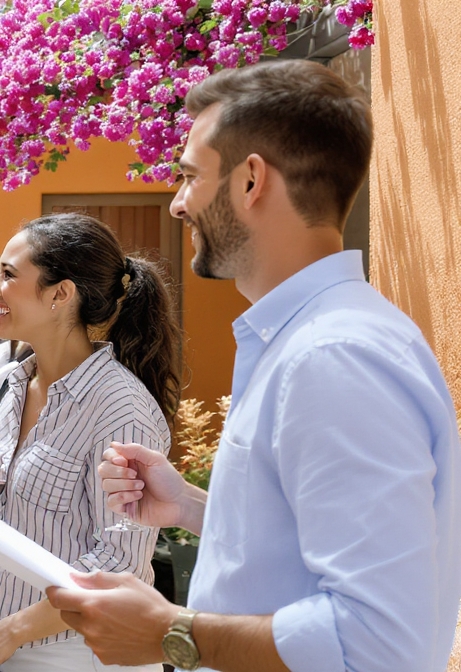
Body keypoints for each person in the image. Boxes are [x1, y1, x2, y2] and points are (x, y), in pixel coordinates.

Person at [45, 60, 461, 672]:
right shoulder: (307, 342)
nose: (178, 205)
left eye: (189, 177)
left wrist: (171, 632)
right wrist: (190, 506)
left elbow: (378, 643)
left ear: (250, 181)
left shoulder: (331, 358)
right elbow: (308, 553)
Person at [0, 213, 182, 672]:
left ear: (61, 294)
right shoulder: (5, 386)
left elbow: (119, 566)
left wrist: (9, 632)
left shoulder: (121, 408)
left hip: (79, 654)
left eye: (8, 274)